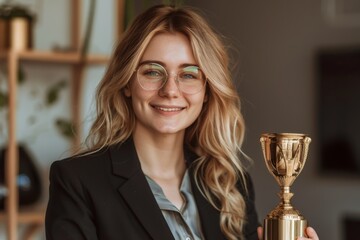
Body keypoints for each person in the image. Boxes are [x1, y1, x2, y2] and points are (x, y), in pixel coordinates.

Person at [45, 4, 319, 240]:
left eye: (189, 74)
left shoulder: (230, 183)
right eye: (153, 71)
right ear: (127, 82)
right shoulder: (78, 181)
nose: (170, 90)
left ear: (207, 90)